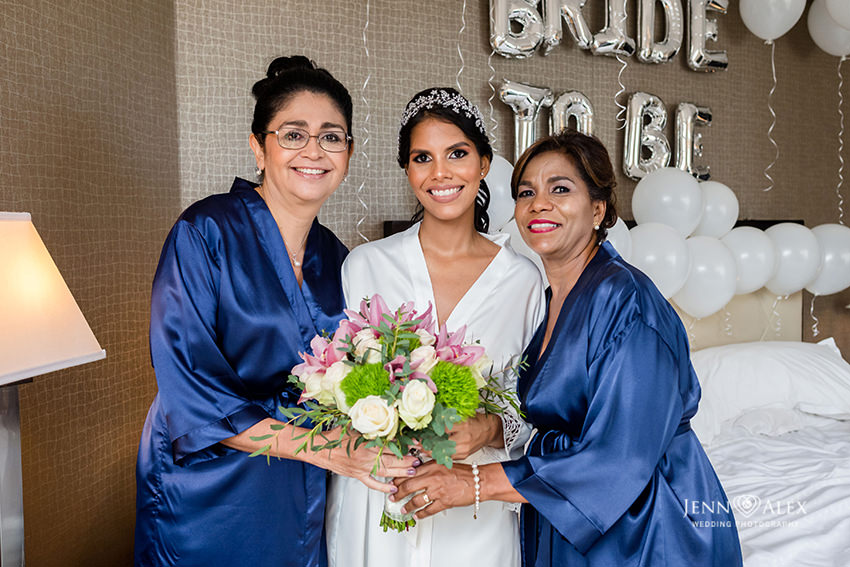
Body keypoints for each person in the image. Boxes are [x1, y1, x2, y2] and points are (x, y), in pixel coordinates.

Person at [393, 130, 743, 566]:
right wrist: (484, 429)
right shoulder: (551, 299)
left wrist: (474, 482)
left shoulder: (627, 300)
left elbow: (620, 454)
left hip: (644, 520)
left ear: (598, 209)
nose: (539, 204)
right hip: (565, 509)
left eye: (560, 189)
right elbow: (551, 416)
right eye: (526, 192)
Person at [134, 56, 414, 567]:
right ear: (258, 147)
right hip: (211, 482)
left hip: (300, 482)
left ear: (349, 152)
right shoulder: (204, 232)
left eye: (332, 137)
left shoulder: (338, 258)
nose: (314, 150)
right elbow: (189, 385)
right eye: (293, 135)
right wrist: (325, 450)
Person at [325, 88, 545, 567]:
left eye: (457, 154)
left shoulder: (524, 281)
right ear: (407, 169)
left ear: (484, 164)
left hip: (474, 514)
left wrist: (488, 428)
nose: (440, 172)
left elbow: (535, 407)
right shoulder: (364, 265)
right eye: (422, 157)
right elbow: (338, 384)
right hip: (378, 499)